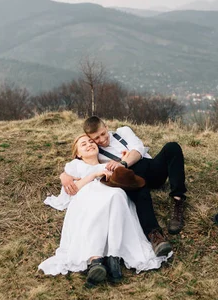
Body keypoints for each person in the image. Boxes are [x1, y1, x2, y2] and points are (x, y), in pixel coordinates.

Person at [39, 134, 171, 286]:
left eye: (91, 141)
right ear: (78, 153)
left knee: (117, 196)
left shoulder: (108, 163)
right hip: (87, 195)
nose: (89, 144)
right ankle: (96, 260)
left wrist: (122, 162)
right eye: (83, 144)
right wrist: (94, 174)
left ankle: (113, 257)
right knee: (95, 204)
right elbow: (73, 190)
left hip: (111, 193)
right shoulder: (75, 166)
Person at [61, 116, 187, 256]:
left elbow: (138, 149)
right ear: (90, 138)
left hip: (151, 170)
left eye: (103, 134)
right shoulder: (95, 152)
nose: (102, 140)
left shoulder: (123, 132)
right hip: (133, 179)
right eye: (96, 138)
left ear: (106, 127)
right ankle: (155, 236)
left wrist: (123, 162)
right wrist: (64, 176)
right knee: (136, 187)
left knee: (172, 147)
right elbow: (78, 164)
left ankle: (178, 200)